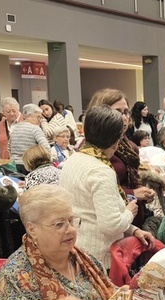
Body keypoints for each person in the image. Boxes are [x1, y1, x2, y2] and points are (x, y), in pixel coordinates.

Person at [59, 104, 155, 266]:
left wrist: (134, 230)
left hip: (77, 249)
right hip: (100, 258)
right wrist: (129, 212)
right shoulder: (101, 171)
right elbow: (111, 225)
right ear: (116, 141)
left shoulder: (73, 159)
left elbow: (93, 213)